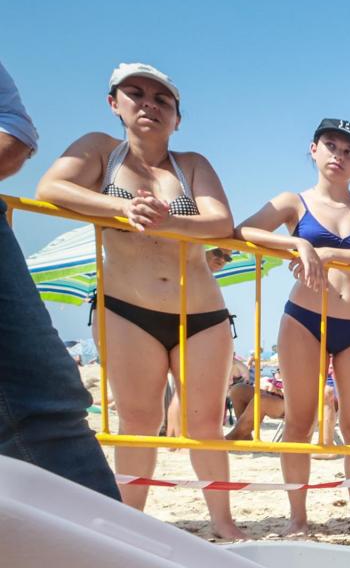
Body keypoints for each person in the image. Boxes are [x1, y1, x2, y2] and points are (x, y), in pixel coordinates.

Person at [35, 63, 243, 534]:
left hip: (202, 313)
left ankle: (225, 524)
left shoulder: (190, 164)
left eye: (162, 98)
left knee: (205, 425)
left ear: (177, 117)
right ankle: (131, 525)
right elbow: (50, 187)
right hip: (126, 308)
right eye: (136, 93)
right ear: (114, 103)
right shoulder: (101, 151)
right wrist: (121, 207)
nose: (149, 103)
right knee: (138, 421)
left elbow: (219, 222)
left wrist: (162, 219)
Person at [236, 119, 350, 535]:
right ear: (313, 150)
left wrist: (325, 252)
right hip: (304, 320)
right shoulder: (295, 201)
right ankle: (298, 518)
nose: (338, 156)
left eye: (349, 152)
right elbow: (246, 230)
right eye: (330, 146)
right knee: (299, 421)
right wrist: (297, 243)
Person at [0, 60, 120, 500]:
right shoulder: (102, 146)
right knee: (41, 403)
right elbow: (48, 184)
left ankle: (108, 555)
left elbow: (14, 133)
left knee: (42, 403)